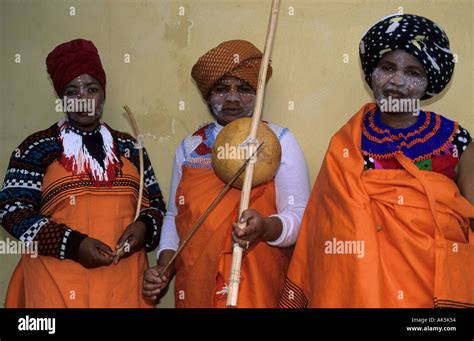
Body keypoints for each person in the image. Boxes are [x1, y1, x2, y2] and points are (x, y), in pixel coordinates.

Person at [280, 14, 474, 308]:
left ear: (428, 81)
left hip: (434, 292)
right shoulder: (348, 142)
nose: (397, 81)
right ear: (371, 73)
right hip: (355, 290)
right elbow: (324, 228)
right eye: (387, 68)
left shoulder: (456, 140)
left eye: (413, 72)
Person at [142, 39, 310, 308]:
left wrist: (265, 227)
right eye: (221, 88)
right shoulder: (190, 147)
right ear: (208, 94)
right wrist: (164, 266)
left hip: (257, 288)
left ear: (258, 93)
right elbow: (176, 215)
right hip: (196, 286)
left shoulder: (277, 141)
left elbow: (300, 216)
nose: (232, 98)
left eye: (243, 89)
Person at [0, 39, 166, 307]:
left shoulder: (129, 146)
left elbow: (157, 205)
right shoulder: (37, 147)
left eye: (91, 89)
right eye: (72, 91)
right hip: (55, 283)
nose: (83, 100)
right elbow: (12, 211)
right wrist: (73, 244)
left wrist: (144, 227)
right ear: (61, 97)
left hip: (124, 284)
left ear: (103, 93)